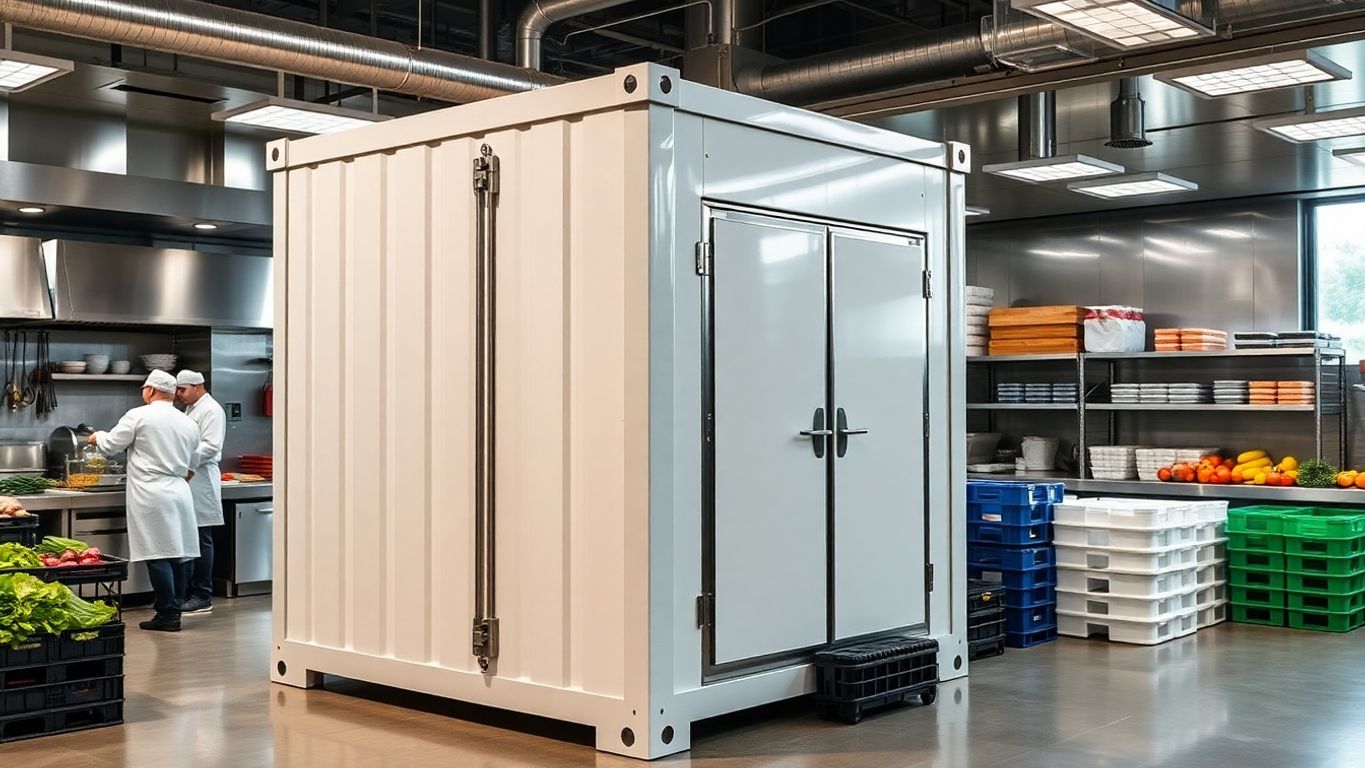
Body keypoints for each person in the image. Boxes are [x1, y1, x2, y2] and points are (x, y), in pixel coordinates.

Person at [88, 370, 200, 632]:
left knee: (157, 552)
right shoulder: (188, 422)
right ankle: (175, 608)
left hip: (151, 492)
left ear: (150, 391)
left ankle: (167, 614)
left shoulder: (138, 415)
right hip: (179, 490)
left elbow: (112, 444)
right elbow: (193, 463)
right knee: (180, 553)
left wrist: (97, 438)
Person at [175, 370, 225, 615]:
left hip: (202, 480)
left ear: (197, 386)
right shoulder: (192, 409)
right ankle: (186, 592)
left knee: (202, 539)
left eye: (182, 390)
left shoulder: (211, 410)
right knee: (189, 539)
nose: (178, 395)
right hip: (189, 479)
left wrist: (183, 460)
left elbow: (211, 446)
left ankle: (203, 594)